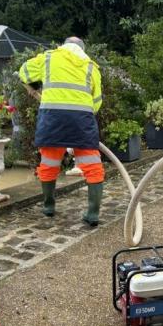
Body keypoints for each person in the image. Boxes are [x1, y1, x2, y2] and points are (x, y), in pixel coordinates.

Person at [19, 37, 104, 226]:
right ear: (83, 49)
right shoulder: (92, 67)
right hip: (81, 121)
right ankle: (93, 214)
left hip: (52, 119)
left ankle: (49, 206)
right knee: (92, 166)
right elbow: (96, 101)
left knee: (49, 163)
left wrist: (34, 89)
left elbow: (23, 72)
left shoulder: (48, 58)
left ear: (63, 46)